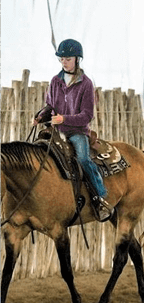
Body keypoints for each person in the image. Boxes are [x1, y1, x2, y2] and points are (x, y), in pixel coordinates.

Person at [35, 39, 113, 222]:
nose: (64, 62)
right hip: (57, 131)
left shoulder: (86, 84)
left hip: (77, 132)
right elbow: (50, 105)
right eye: (61, 59)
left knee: (84, 159)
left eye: (67, 59)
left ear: (77, 59)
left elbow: (87, 116)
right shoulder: (55, 81)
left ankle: (100, 197)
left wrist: (65, 119)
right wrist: (40, 116)